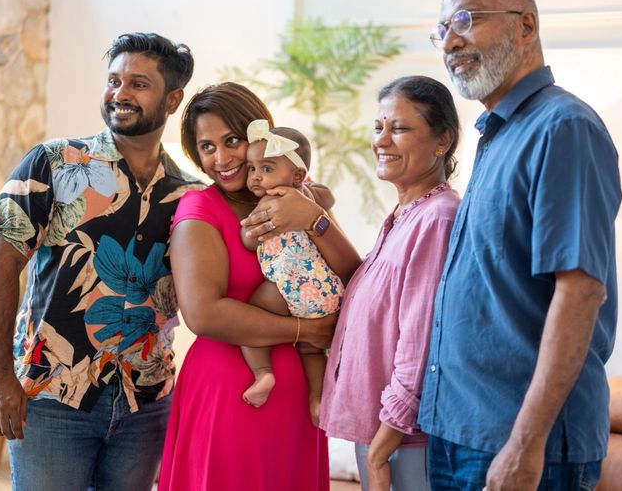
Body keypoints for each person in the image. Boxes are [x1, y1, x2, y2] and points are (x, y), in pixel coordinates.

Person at [418, 0, 622, 490]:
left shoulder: (564, 127)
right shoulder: (496, 135)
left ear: (525, 26)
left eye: (466, 20)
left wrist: (525, 445)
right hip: (458, 429)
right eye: (442, 30)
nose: (450, 42)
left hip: (523, 443)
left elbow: (580, 292)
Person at [0, 32, 200, 491]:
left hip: (146, 403)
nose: (120, 93)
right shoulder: (53, 163)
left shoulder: (189, 196)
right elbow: (0, 265)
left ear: (173, 99)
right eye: (114, 80)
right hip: (52, 396)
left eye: (139, 84)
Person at [158, 82, 360, 491]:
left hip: (298, 398)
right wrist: (306, 331)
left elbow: (352, 275)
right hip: (229, 392)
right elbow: (203, 314)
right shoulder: (199, 209)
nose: (222, 159)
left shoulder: (298, 194)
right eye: (207, 147)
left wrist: (315, 219)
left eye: (232, 140)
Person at [319, 75, 461, 491]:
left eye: (398, 128)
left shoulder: (438, 218)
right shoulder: (403, 216)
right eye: (378, 127)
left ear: (442, 140)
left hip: (401, 439)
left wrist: (383, 447)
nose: (381, 140)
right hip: (380, 432)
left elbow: (420, 341)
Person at [238, 119, 344, 424]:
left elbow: (249, 240)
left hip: (288, 288)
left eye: (267, 168)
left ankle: (263, 373)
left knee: (251, 318)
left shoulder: (270, 201)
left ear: (296, 174)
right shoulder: (308, 194)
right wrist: (308, 188)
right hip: (325, 289)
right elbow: (329, 196)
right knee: (311, 351)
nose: (256, 177)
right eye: (252, 169)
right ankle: (318, 400)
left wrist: (245, 231)